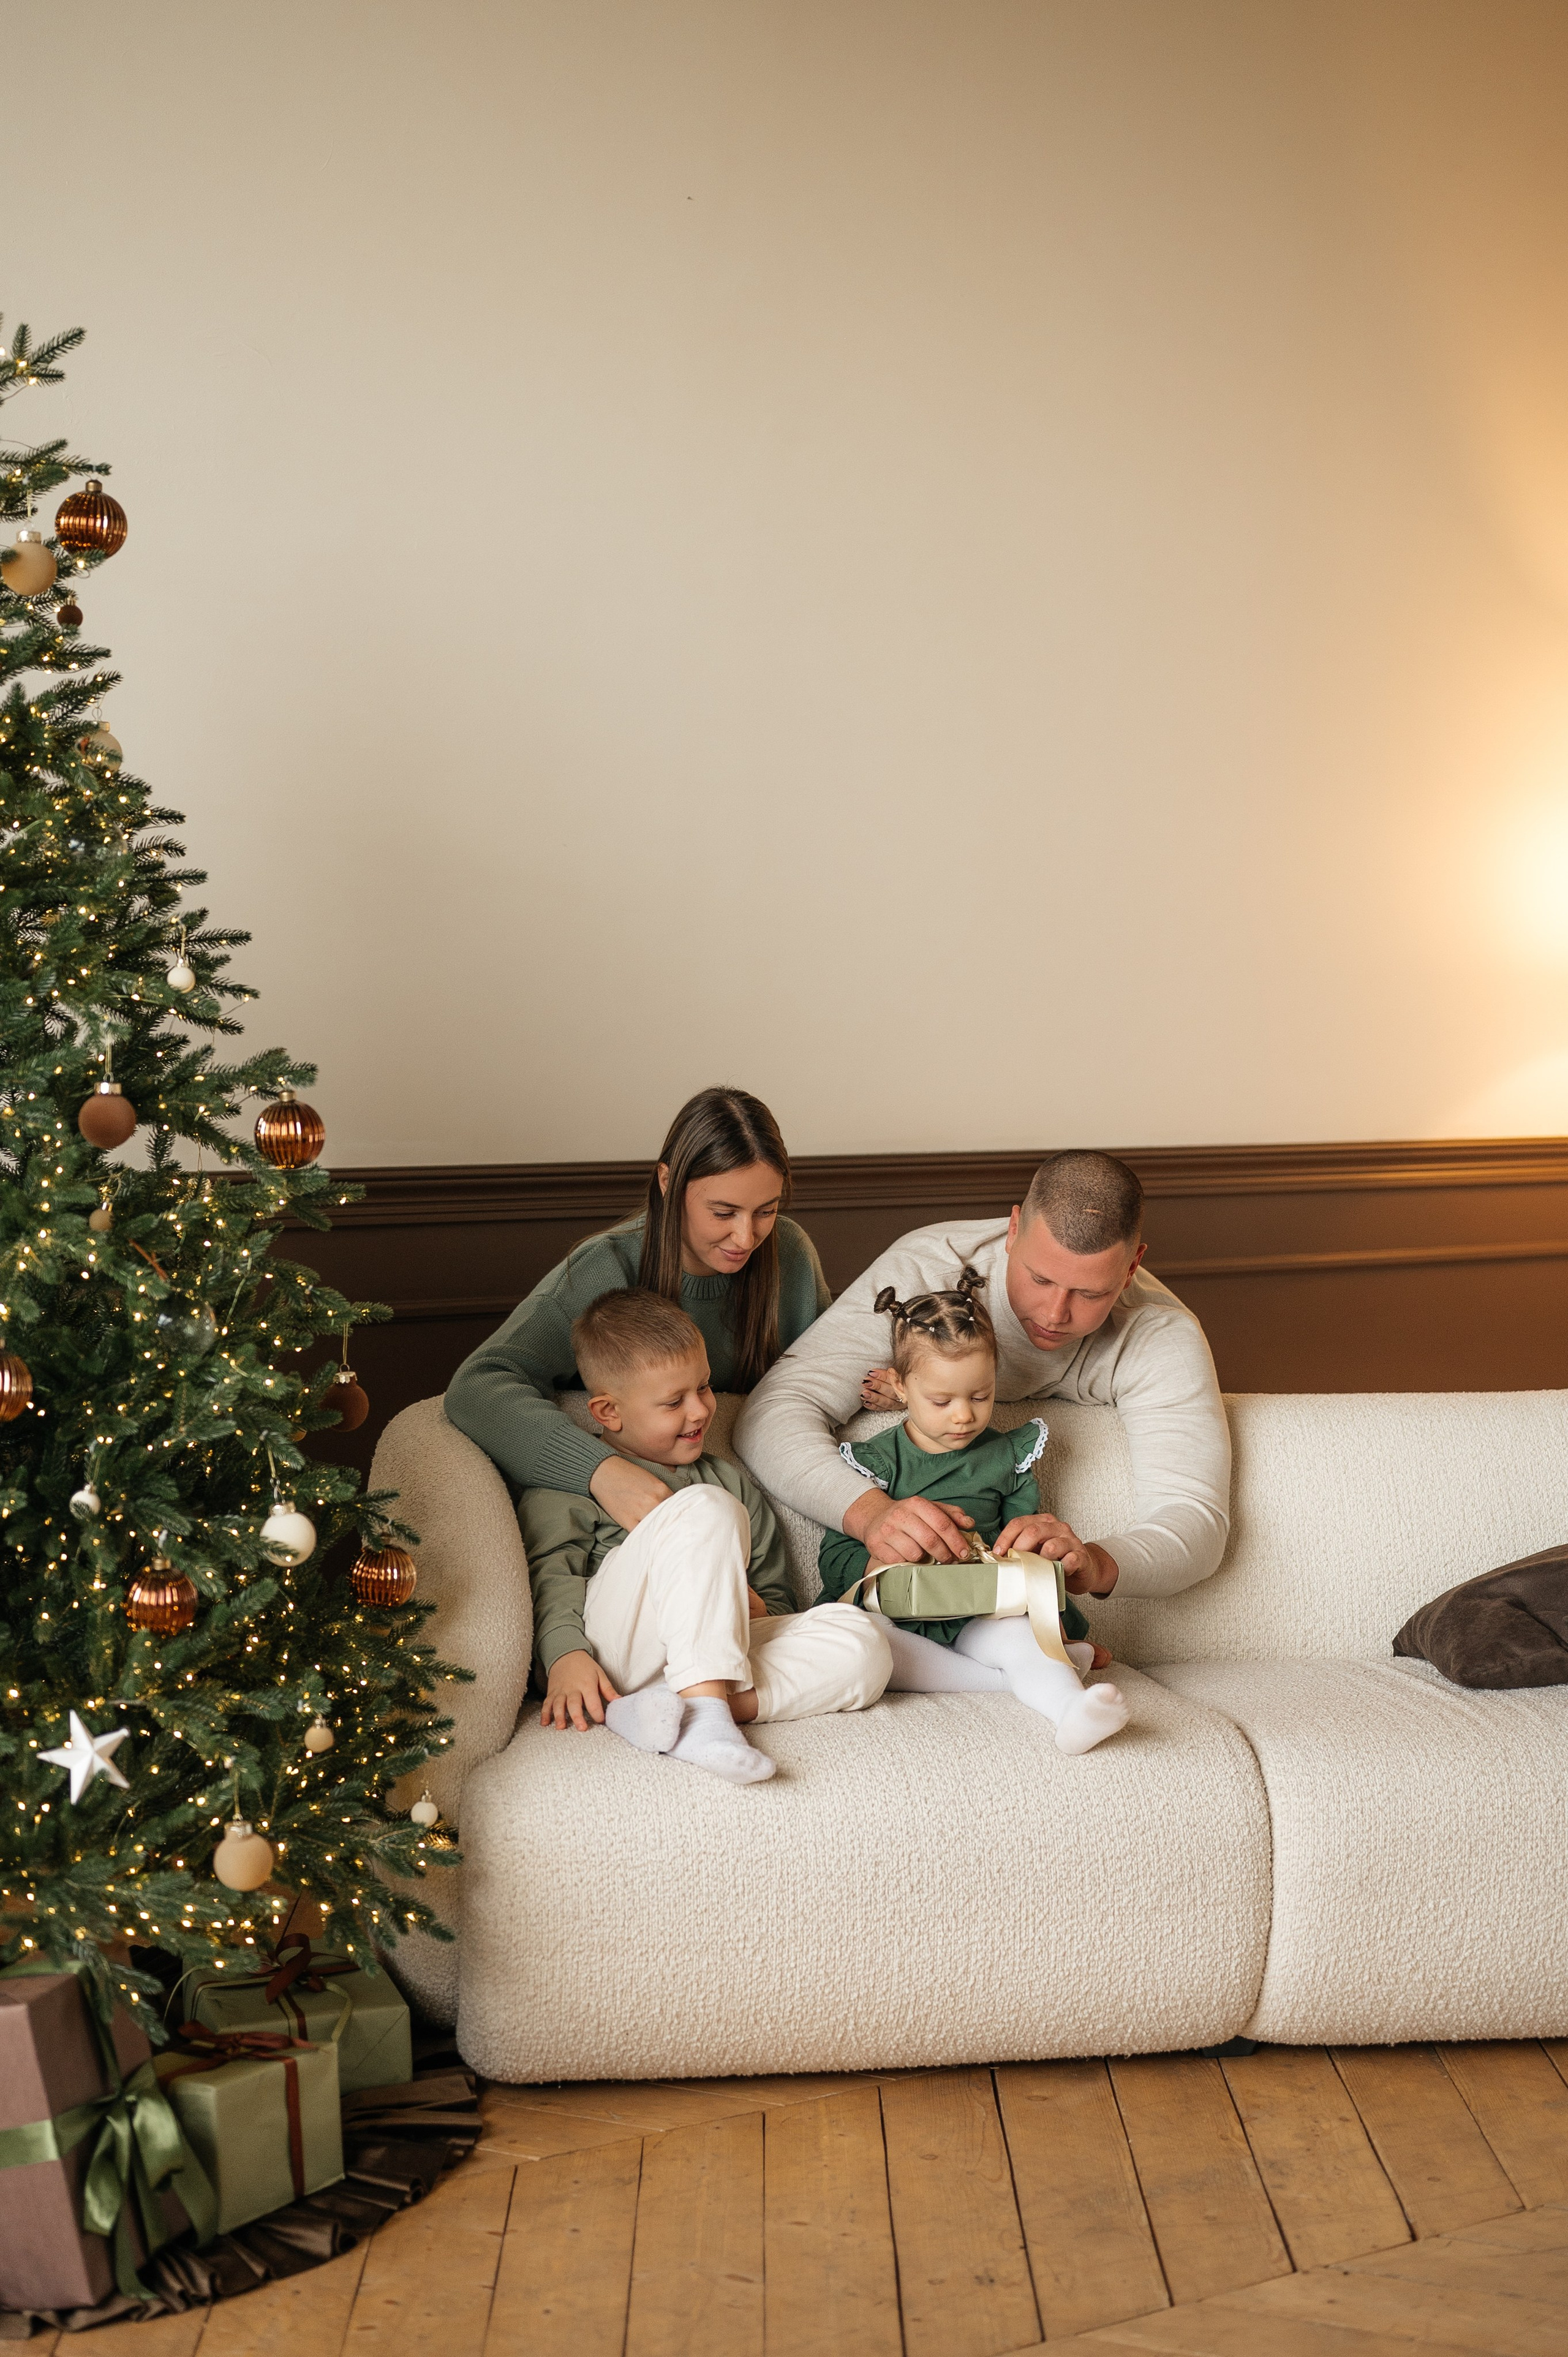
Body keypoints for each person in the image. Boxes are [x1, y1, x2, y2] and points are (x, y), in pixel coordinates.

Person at [735, 1151, 1231, 1699]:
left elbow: (1197, 1520)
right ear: (1013, 1229)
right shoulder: (928, 1270)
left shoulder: (1159, 1334)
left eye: (1090, 1293)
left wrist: (1095, 1564)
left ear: (1133, 1265)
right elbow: (769, 1417)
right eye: (1039, 1278)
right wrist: (873, 1515)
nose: (1055, 1313)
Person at [522, 1289, 891, 1784]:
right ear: (608, 1412)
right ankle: (705, 1719)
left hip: (715, 1654)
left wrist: (761, 1606)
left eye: (704, 1388)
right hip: (612, 1650)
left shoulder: (728, 1480)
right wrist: (565, 1656)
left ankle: (669, 1711)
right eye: (674, 1402)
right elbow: (552, 1577)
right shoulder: (571, 1481)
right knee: (705, 1508)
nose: (699, 1412)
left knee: (863, 1644)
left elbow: (776, 1597)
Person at [445, 1086, 829, 1531]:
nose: (746, 1237)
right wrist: (600, 1472)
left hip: (747, 1518)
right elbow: (478, 1384)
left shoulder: (792, 1253)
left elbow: (825, 1375)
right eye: (723, 1213)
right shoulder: (604, 1266)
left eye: (766, 1210)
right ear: (667, 1183)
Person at [815, 1269, 1130, 1752]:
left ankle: (1070, 1710)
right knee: (857, 1645)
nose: (963, 1415)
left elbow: (1031, 1557)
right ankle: (1013, 1681)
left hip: (981, 1613)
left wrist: (1059, 1622)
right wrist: (873, 1564)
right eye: (941, 1400)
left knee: (1022, 1639)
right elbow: (834, 1558)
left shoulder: (1008, 1457)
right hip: (899, 1617)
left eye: (980, 1396)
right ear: (900, 1387)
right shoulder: (876, 1462)